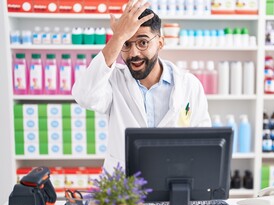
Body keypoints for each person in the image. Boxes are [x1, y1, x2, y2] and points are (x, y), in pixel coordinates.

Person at [72, 0, 211, 171]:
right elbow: (84, 97)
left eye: (143, 42)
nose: (134, 53)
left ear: (160, 42)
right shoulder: (113, 81)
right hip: (123, 187)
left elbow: (205, 143)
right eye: (126, 44)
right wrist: (118, 37)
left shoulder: (189, 85)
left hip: (173, 180)